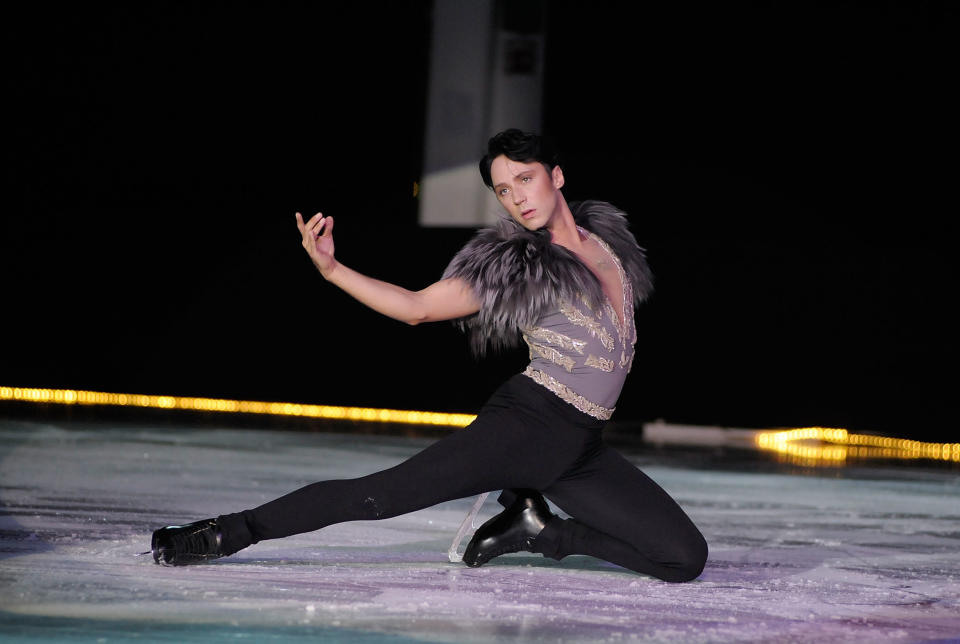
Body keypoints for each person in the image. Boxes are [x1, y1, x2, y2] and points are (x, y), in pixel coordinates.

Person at [151, 129, 708, 582]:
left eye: (526, 178)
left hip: (581, 449)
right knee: (378, 497)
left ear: (555, 176)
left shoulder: (607, 243)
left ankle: (542, 532)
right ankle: (227, 532)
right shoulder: (516, 263)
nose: (517, 197)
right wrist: (333, 270)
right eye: (504, 190)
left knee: (684, 559)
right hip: (527, 426)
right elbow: (417, 307)